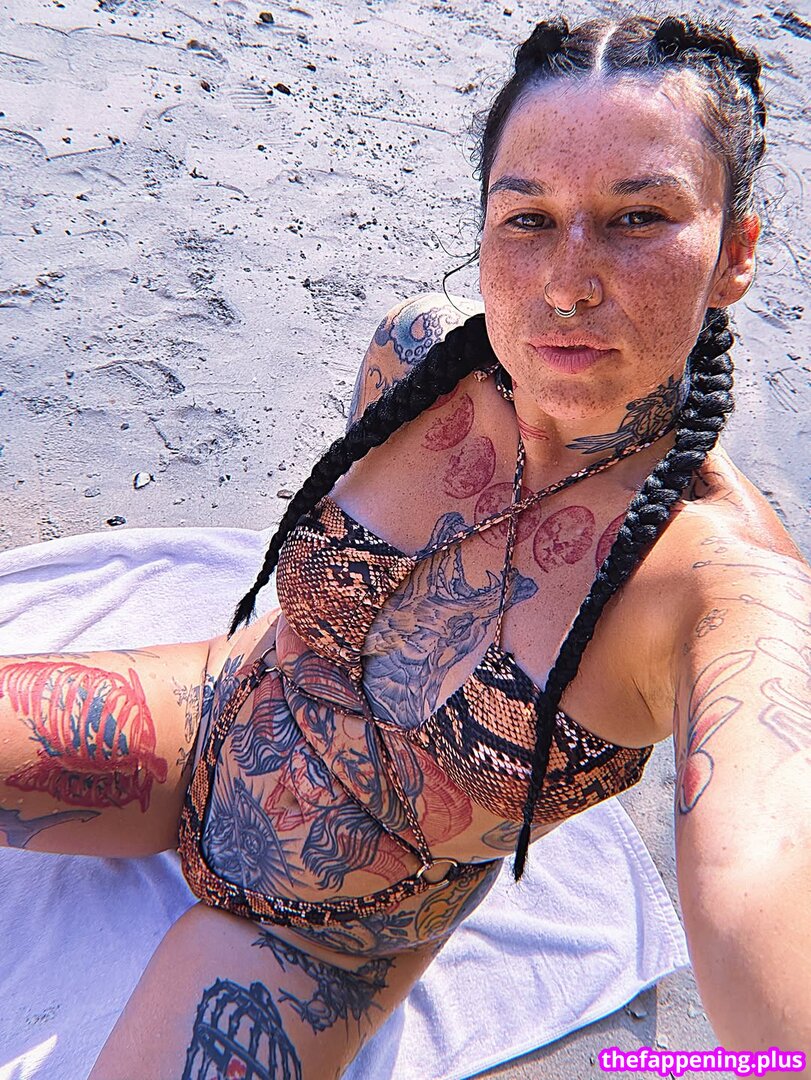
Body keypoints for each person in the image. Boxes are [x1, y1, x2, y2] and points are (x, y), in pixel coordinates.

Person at [1, 12, 809, 1079]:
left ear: (734, 255)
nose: (566, 282)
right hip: (195, 727)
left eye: (637, 217)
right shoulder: (420, 357)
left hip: (314, 940)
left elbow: (761, 884)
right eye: (527, 219)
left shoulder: (716, 590)